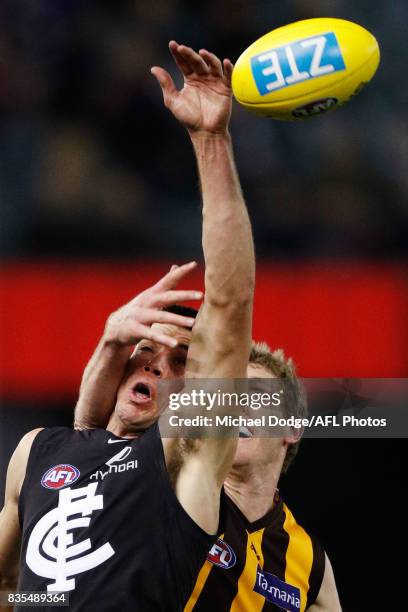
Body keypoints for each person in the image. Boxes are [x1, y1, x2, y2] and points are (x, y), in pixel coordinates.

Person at [0, 41, 255, 612]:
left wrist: (210, 141)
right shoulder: (37, 451)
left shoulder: (183, 464)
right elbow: (5, 584)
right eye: (146, 350)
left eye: (181, 364)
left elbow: (231, 304)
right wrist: (112, 335)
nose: (158, 364)